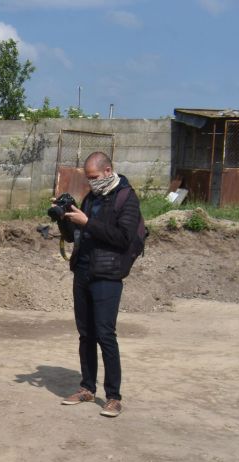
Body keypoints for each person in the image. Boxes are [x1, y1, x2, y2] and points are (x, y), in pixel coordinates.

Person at [58, 152, 142, 418]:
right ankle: (87, 388)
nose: (91, 182)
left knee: (105, 334)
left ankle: (114, 396)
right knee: (86, 334)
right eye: (88, 178)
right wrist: (64, 218)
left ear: (108, 171)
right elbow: (76, 236)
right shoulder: (91, 198)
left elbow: (123, 238)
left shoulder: (126, 198)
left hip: (108, 276)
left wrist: (88, 222)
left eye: (94, 177)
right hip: (83, 271)